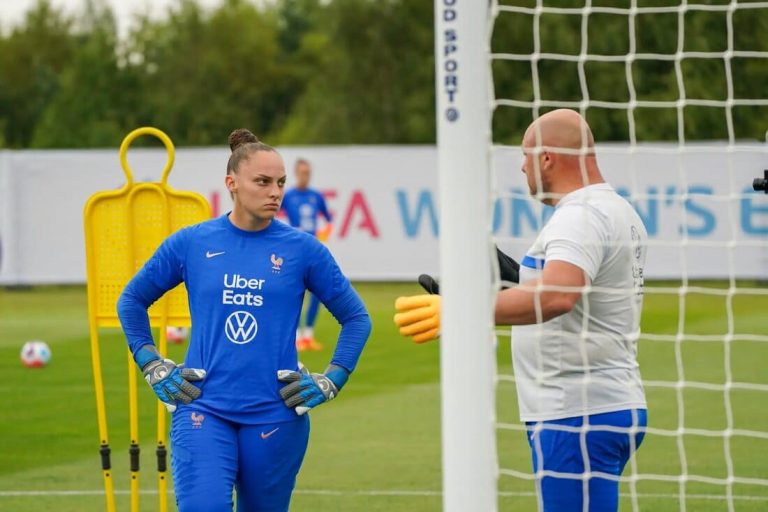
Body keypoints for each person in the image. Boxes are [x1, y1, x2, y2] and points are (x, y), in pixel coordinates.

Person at [394, 109, 648, 512]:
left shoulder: (579, 214)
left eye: (525, 156)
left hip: (576, 412)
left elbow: (557, 297)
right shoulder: (614, 208)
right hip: (602, 403)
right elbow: (567, 290)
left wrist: (461, 310)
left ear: (546, 157)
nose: (522, 167)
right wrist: (513, 281)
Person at [117, 129, 371, 512]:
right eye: (263, 182)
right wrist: (151, 362)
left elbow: (356, 317)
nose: (275, 192)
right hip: (202, 407)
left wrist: (333, 378)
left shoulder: (303, 250)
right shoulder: (192, 243)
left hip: (277, 414)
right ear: (231, 183)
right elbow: (131, 300)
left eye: (280, 183)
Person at [280, 158, 333, 352]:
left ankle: (308, 335)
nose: (305, 176)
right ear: (296, 173)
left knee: (317, 292)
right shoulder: (289, 196)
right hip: (294, 251)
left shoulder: (316, 197)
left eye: (308, 173)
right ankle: (295, 336)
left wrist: (323, 236)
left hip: (313, 250)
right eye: (302, 173)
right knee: (293, 293)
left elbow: (328, 219)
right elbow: (273, 217)